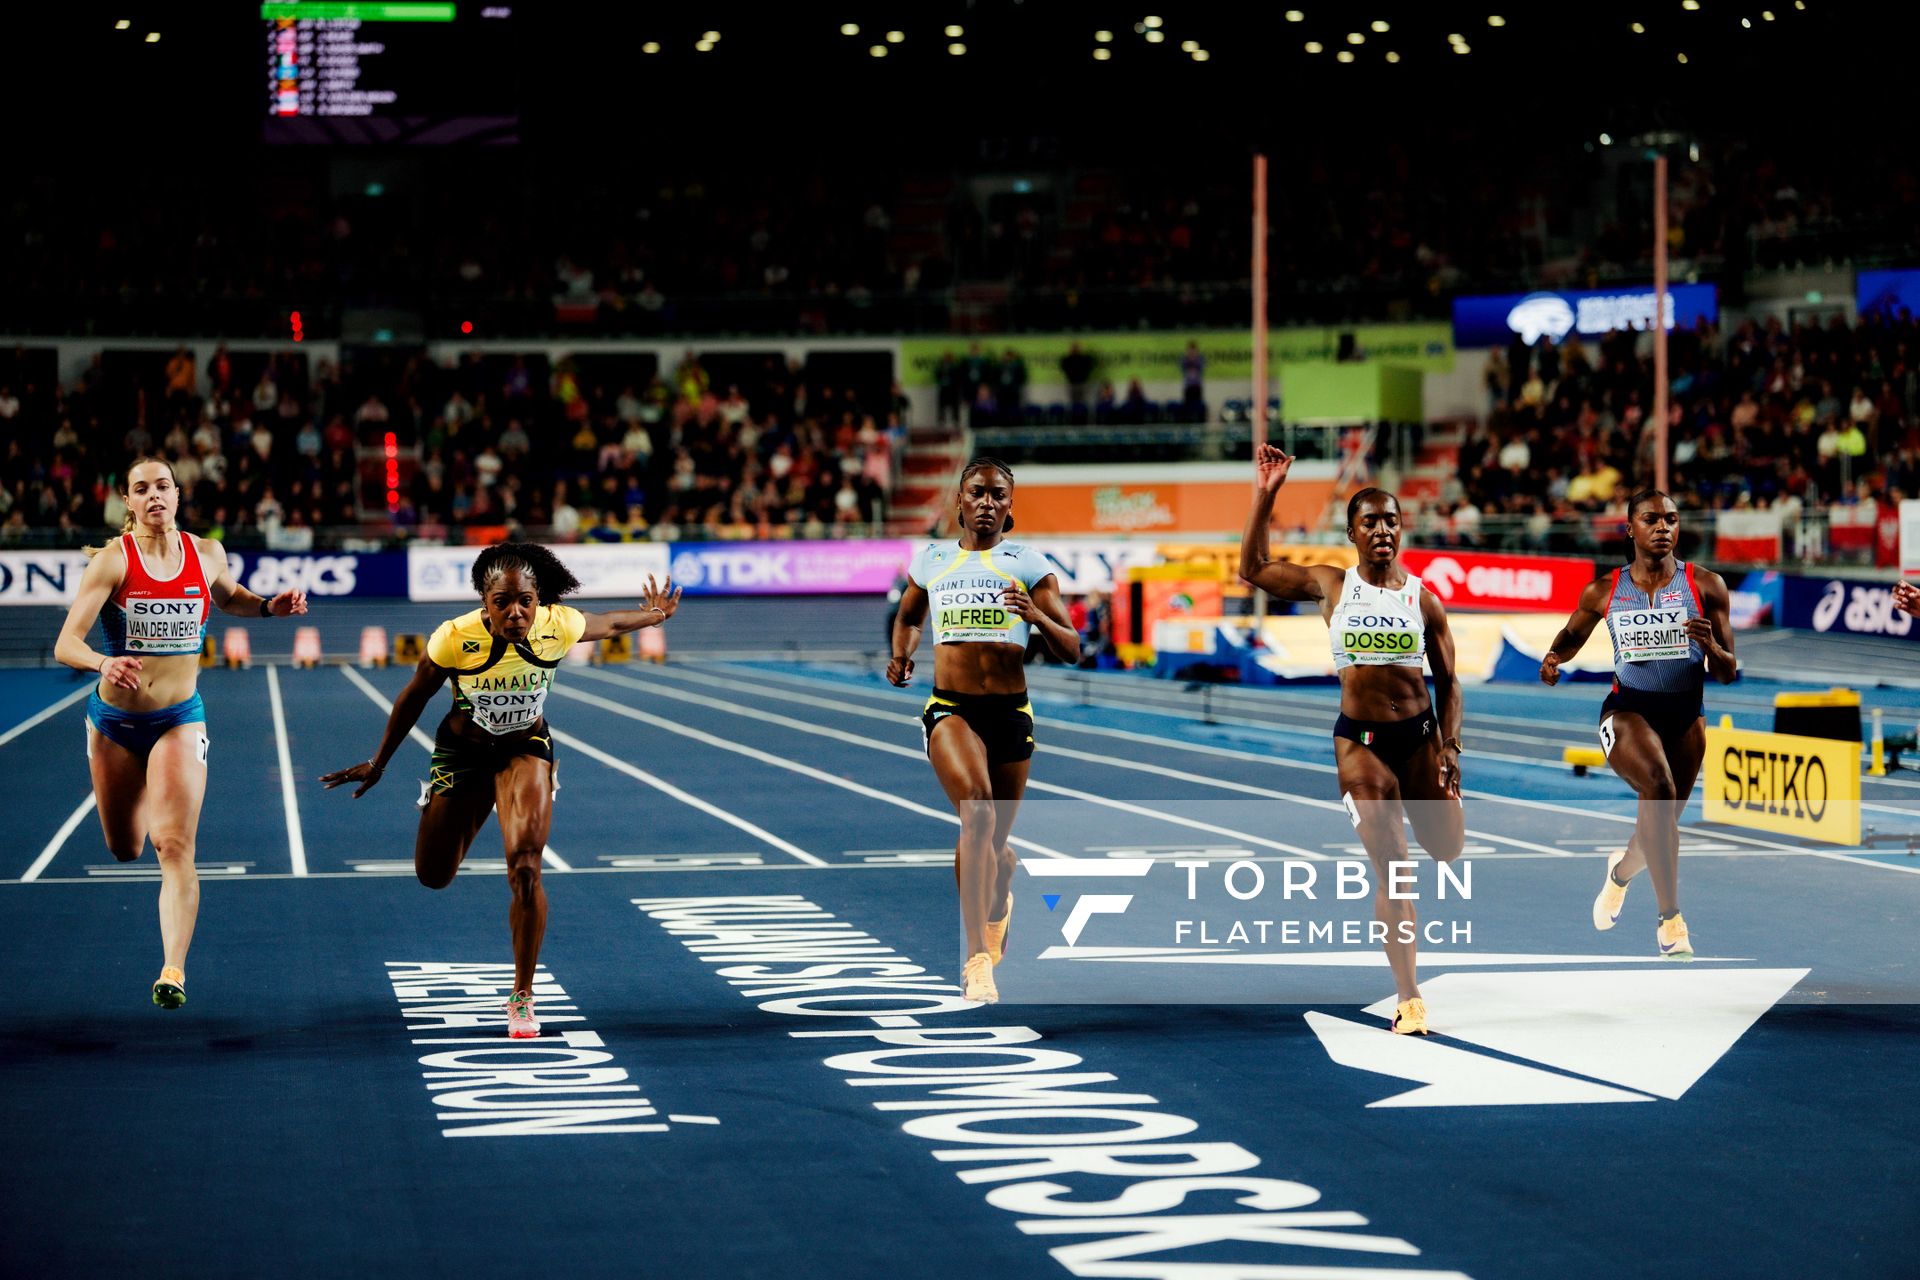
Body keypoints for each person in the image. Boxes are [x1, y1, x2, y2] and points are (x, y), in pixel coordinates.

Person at [322, 546, 680, 1038]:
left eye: (526, 601)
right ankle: (449, 800)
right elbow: (413, 697)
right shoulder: (454, 637)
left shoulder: (559, 625)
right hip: (462, 754)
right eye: (502, 602)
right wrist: (379, 762)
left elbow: (611, 624)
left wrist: (654, 615)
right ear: (484, 603)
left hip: (525, 749)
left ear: (539, 601)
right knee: (433, 874)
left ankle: (522, 996)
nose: (516, 613)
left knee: (527, 866)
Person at [53, 456, 310, 1009]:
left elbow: (228, 595)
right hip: (116, 724)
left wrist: (268, 608)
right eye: (141, 489)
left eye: (162, 486)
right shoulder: (112, 564)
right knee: (125, 848)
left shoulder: (206, 552)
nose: (154, 496)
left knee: (174, 846)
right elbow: (65, 643)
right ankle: (140, 791)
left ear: (178, 492)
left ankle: (173, 969)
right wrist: (103, 663)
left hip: (179, 718)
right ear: (128, 501)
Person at [1238, 445, 1464, 1035]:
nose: (1383, 530)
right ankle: (1409, 998)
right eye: (1371, 521)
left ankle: (1440, 806)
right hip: (1360, 745)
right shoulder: (1330, 586)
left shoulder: (1425, 601)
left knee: (1447, 849)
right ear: (1352, 532)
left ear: (1401, 529)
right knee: (1394, 864)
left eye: (1391, 520)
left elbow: (1450, 683)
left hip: (1420, 741)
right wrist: (1267, 494)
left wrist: (1451, 746)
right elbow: (1254, 568)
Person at [888, 459, 1079, 1004]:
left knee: (995, 846)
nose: (988, 502)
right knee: (978, 812)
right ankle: (976, 960)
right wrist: (901, 655)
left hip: (1011, 714)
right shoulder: (932, 561)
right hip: (951, 708)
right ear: (961, 502)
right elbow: (907, 617)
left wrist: (1037, 618)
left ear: (1010, 505)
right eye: (978, 493)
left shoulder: (1029, 564)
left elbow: (1073, 648)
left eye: (999, 494)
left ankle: (1001, 895)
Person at [1539, 490, 1737, 960]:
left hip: (1687, 717)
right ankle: (1672, 922)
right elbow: (1572, 635)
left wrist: (1711, 647)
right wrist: (1553, 657)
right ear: (1630, 529)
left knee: (1658, 828)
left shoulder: (1706, 586)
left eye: (1671, 519)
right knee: (1658, 784)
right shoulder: (1604, 590)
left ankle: (1619, 875)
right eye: (1652, 519)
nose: (1663, 527)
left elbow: (1729, 672)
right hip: (1626, 710)